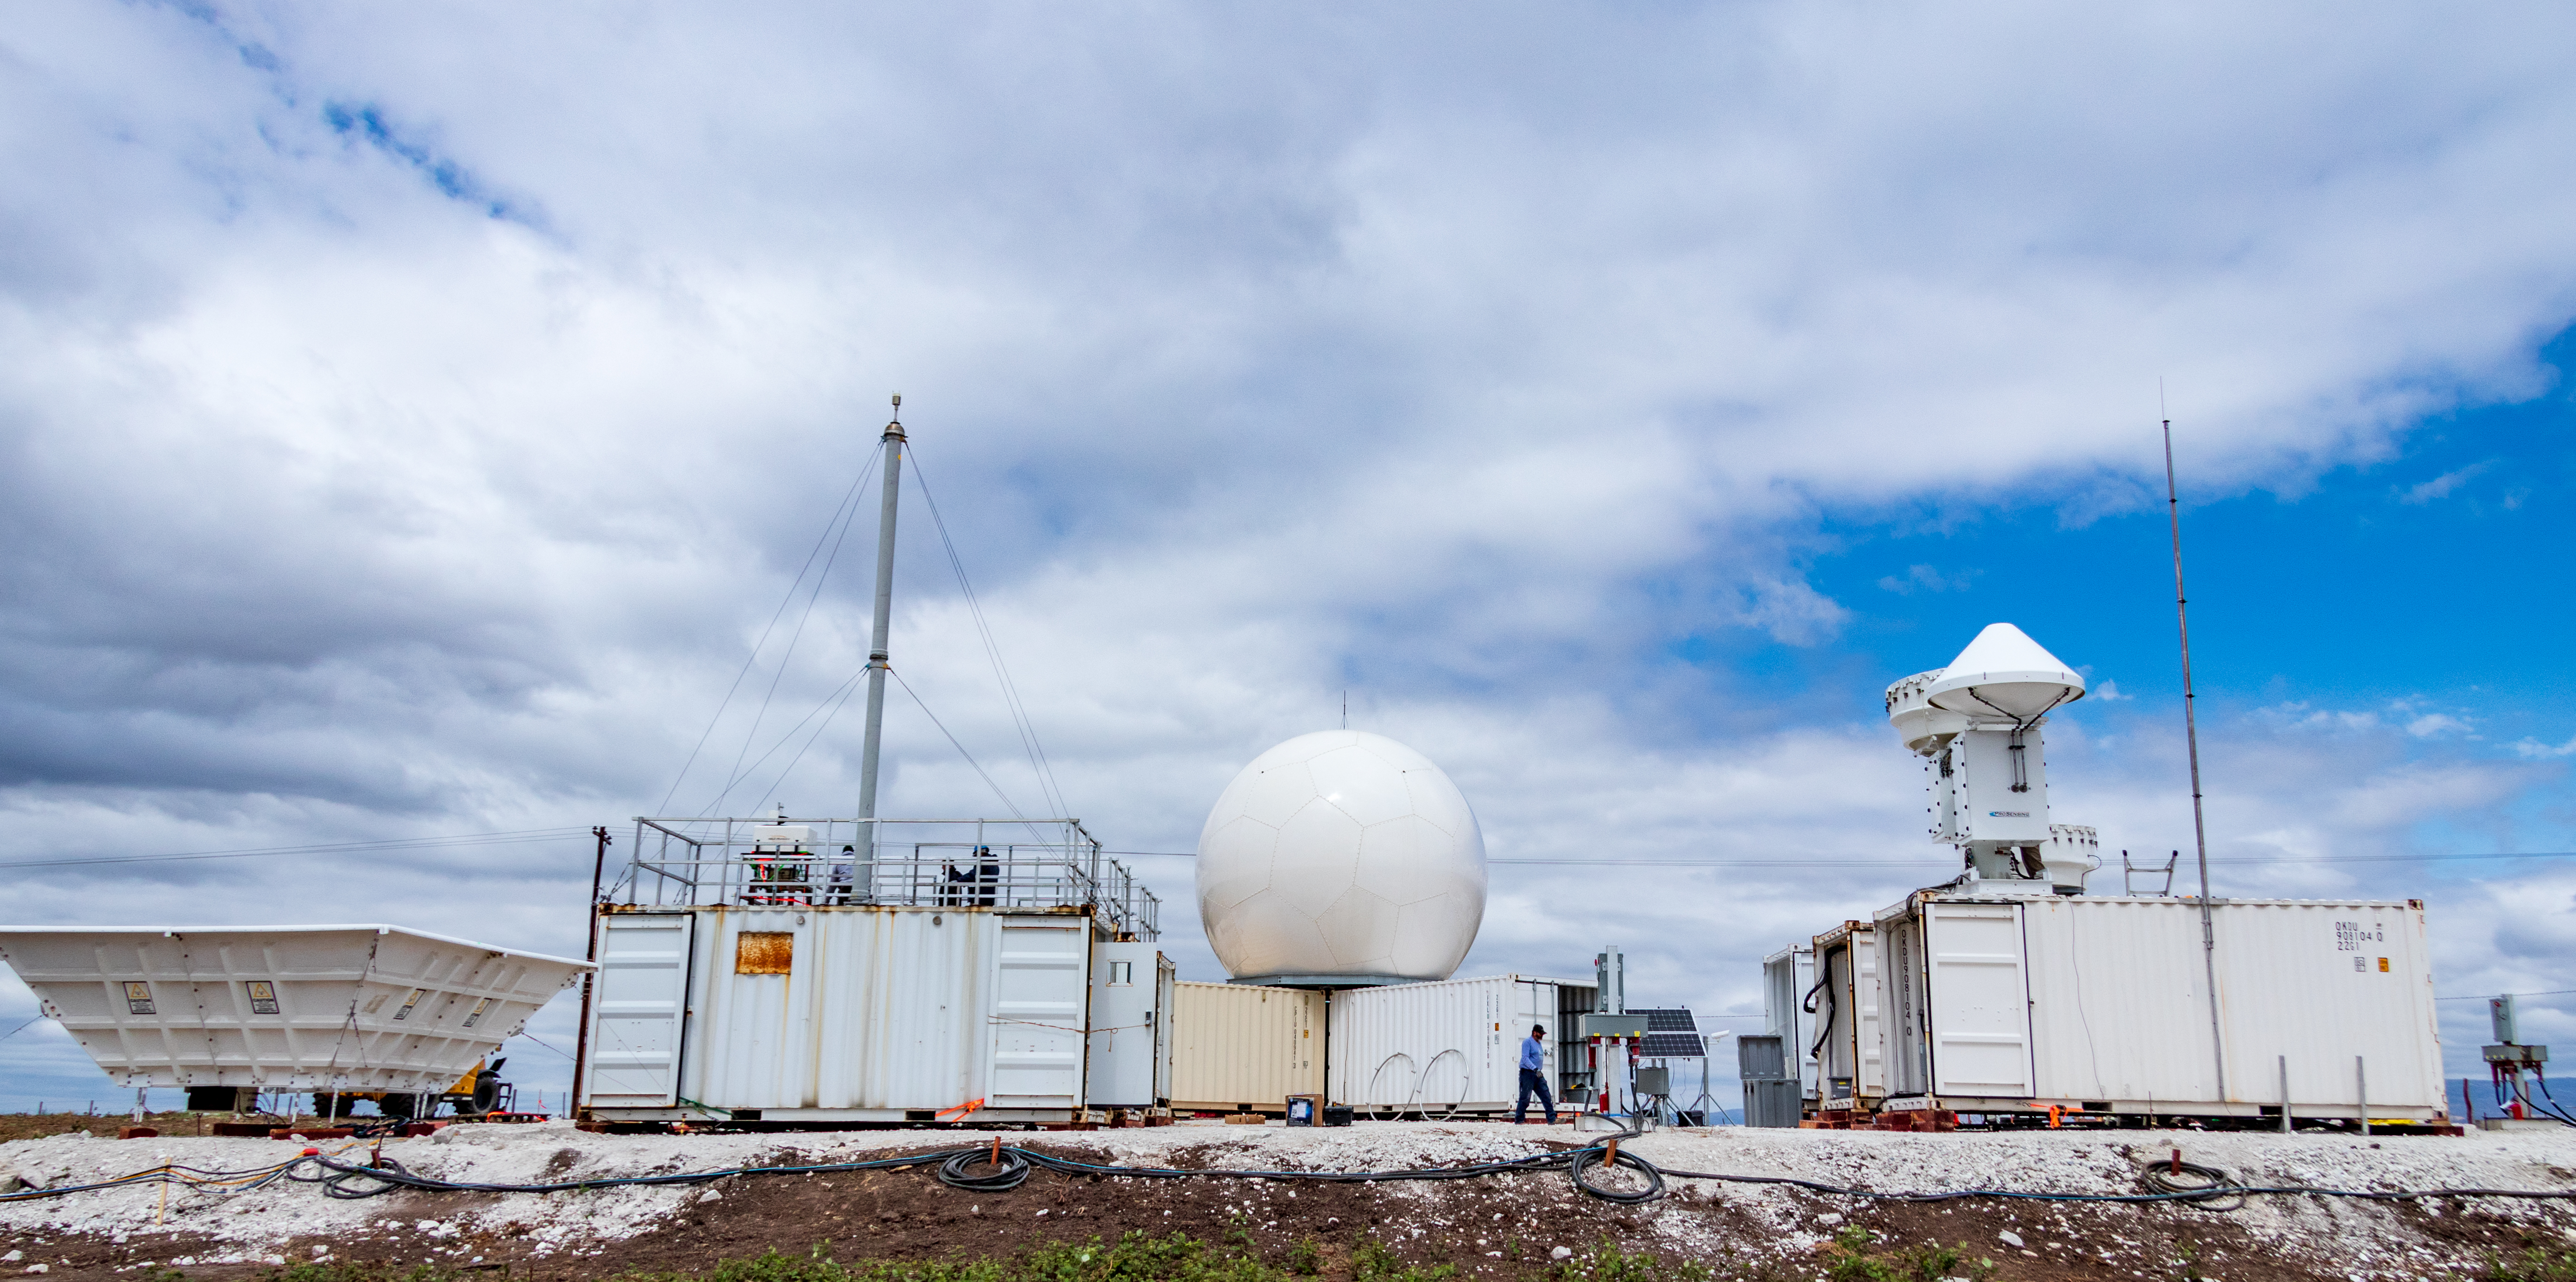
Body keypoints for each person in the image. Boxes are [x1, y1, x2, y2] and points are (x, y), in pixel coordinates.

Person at [1515, 1023, 1556, 1124]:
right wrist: (1535, 1069)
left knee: (1546, 1095)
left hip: (1537, 1074)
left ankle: (1552, 1119)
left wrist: (1538, 1070)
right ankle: (1519, 1120)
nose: (1542, 1036)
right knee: (1525, 1098)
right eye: (1540, 1034)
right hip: (1528, 1074)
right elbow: (1525, 1058)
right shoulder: (1527, 1042)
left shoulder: (1539, 1043)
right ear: (1535, 1033)